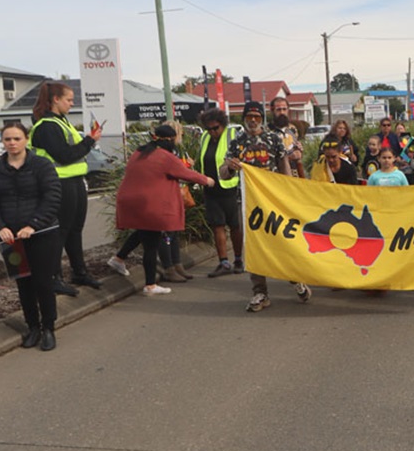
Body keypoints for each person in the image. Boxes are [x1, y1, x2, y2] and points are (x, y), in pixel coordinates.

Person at [219, 101, 310, 312]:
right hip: (249, 204)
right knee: (254, 247)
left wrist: (290, 194)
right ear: (243, 118)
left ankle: (295, 278)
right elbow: (223, 172)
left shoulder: (273, 139)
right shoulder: (237, 142)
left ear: (262, 118)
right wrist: (229, 168)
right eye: (249, 116)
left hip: (274, 201)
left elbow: (284, 166)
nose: (253, 120)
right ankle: (260, 292)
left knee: (282, 242)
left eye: (257, 117)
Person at [0, 123, 62, 351]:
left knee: (43, 283)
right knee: (24, 284)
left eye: (17, 138)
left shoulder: (42, 165)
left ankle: (48, 328)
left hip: (42, 234)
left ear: (26, 139)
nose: (12, 143)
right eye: (7, 139)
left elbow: (52, 197)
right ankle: (32, 327)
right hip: (11, 240)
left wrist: (33, 225)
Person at [115, 125, 214, 296]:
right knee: (151, 245)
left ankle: (118, 259)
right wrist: (207, 180)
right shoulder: (165, 157)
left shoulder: (139, 153)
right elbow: (186, 173)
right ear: (169, 140)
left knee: (143, 236)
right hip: (149, 206)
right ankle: (150, 285)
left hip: (131, 203)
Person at [28, 81, 102, 296]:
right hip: (58, 183)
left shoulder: (62, 122)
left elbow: (72, 153)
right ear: (55, 100)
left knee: (74, 229)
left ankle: (79, 272)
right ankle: (54, 278)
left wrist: (88, 141)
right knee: (60, 232)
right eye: (69, 100)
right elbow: (64, 155)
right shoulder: (47, 126)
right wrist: (89, 141)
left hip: (74, 181)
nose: (71, 104)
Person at [192, 109, 245, 278]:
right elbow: (202, 157)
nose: (212, 132)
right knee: (217, 225)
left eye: (215, 128)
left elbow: (241, 159)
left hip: (230, 188)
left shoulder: (233, 135)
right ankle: (223, 262)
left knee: (235, 226)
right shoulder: (205, 137)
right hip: (211, 189)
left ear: (222, 124)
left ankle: (238, 260)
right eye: (208, 129)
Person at [269, 97, 304, 178]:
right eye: (278, 110)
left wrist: (300, 151)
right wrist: (288, 157)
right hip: (276, 174)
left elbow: (294, 148)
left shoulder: (293, 129)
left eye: (284, 109)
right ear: (272, 111)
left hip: (294, 173)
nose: (282, 112)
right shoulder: (267, 131)